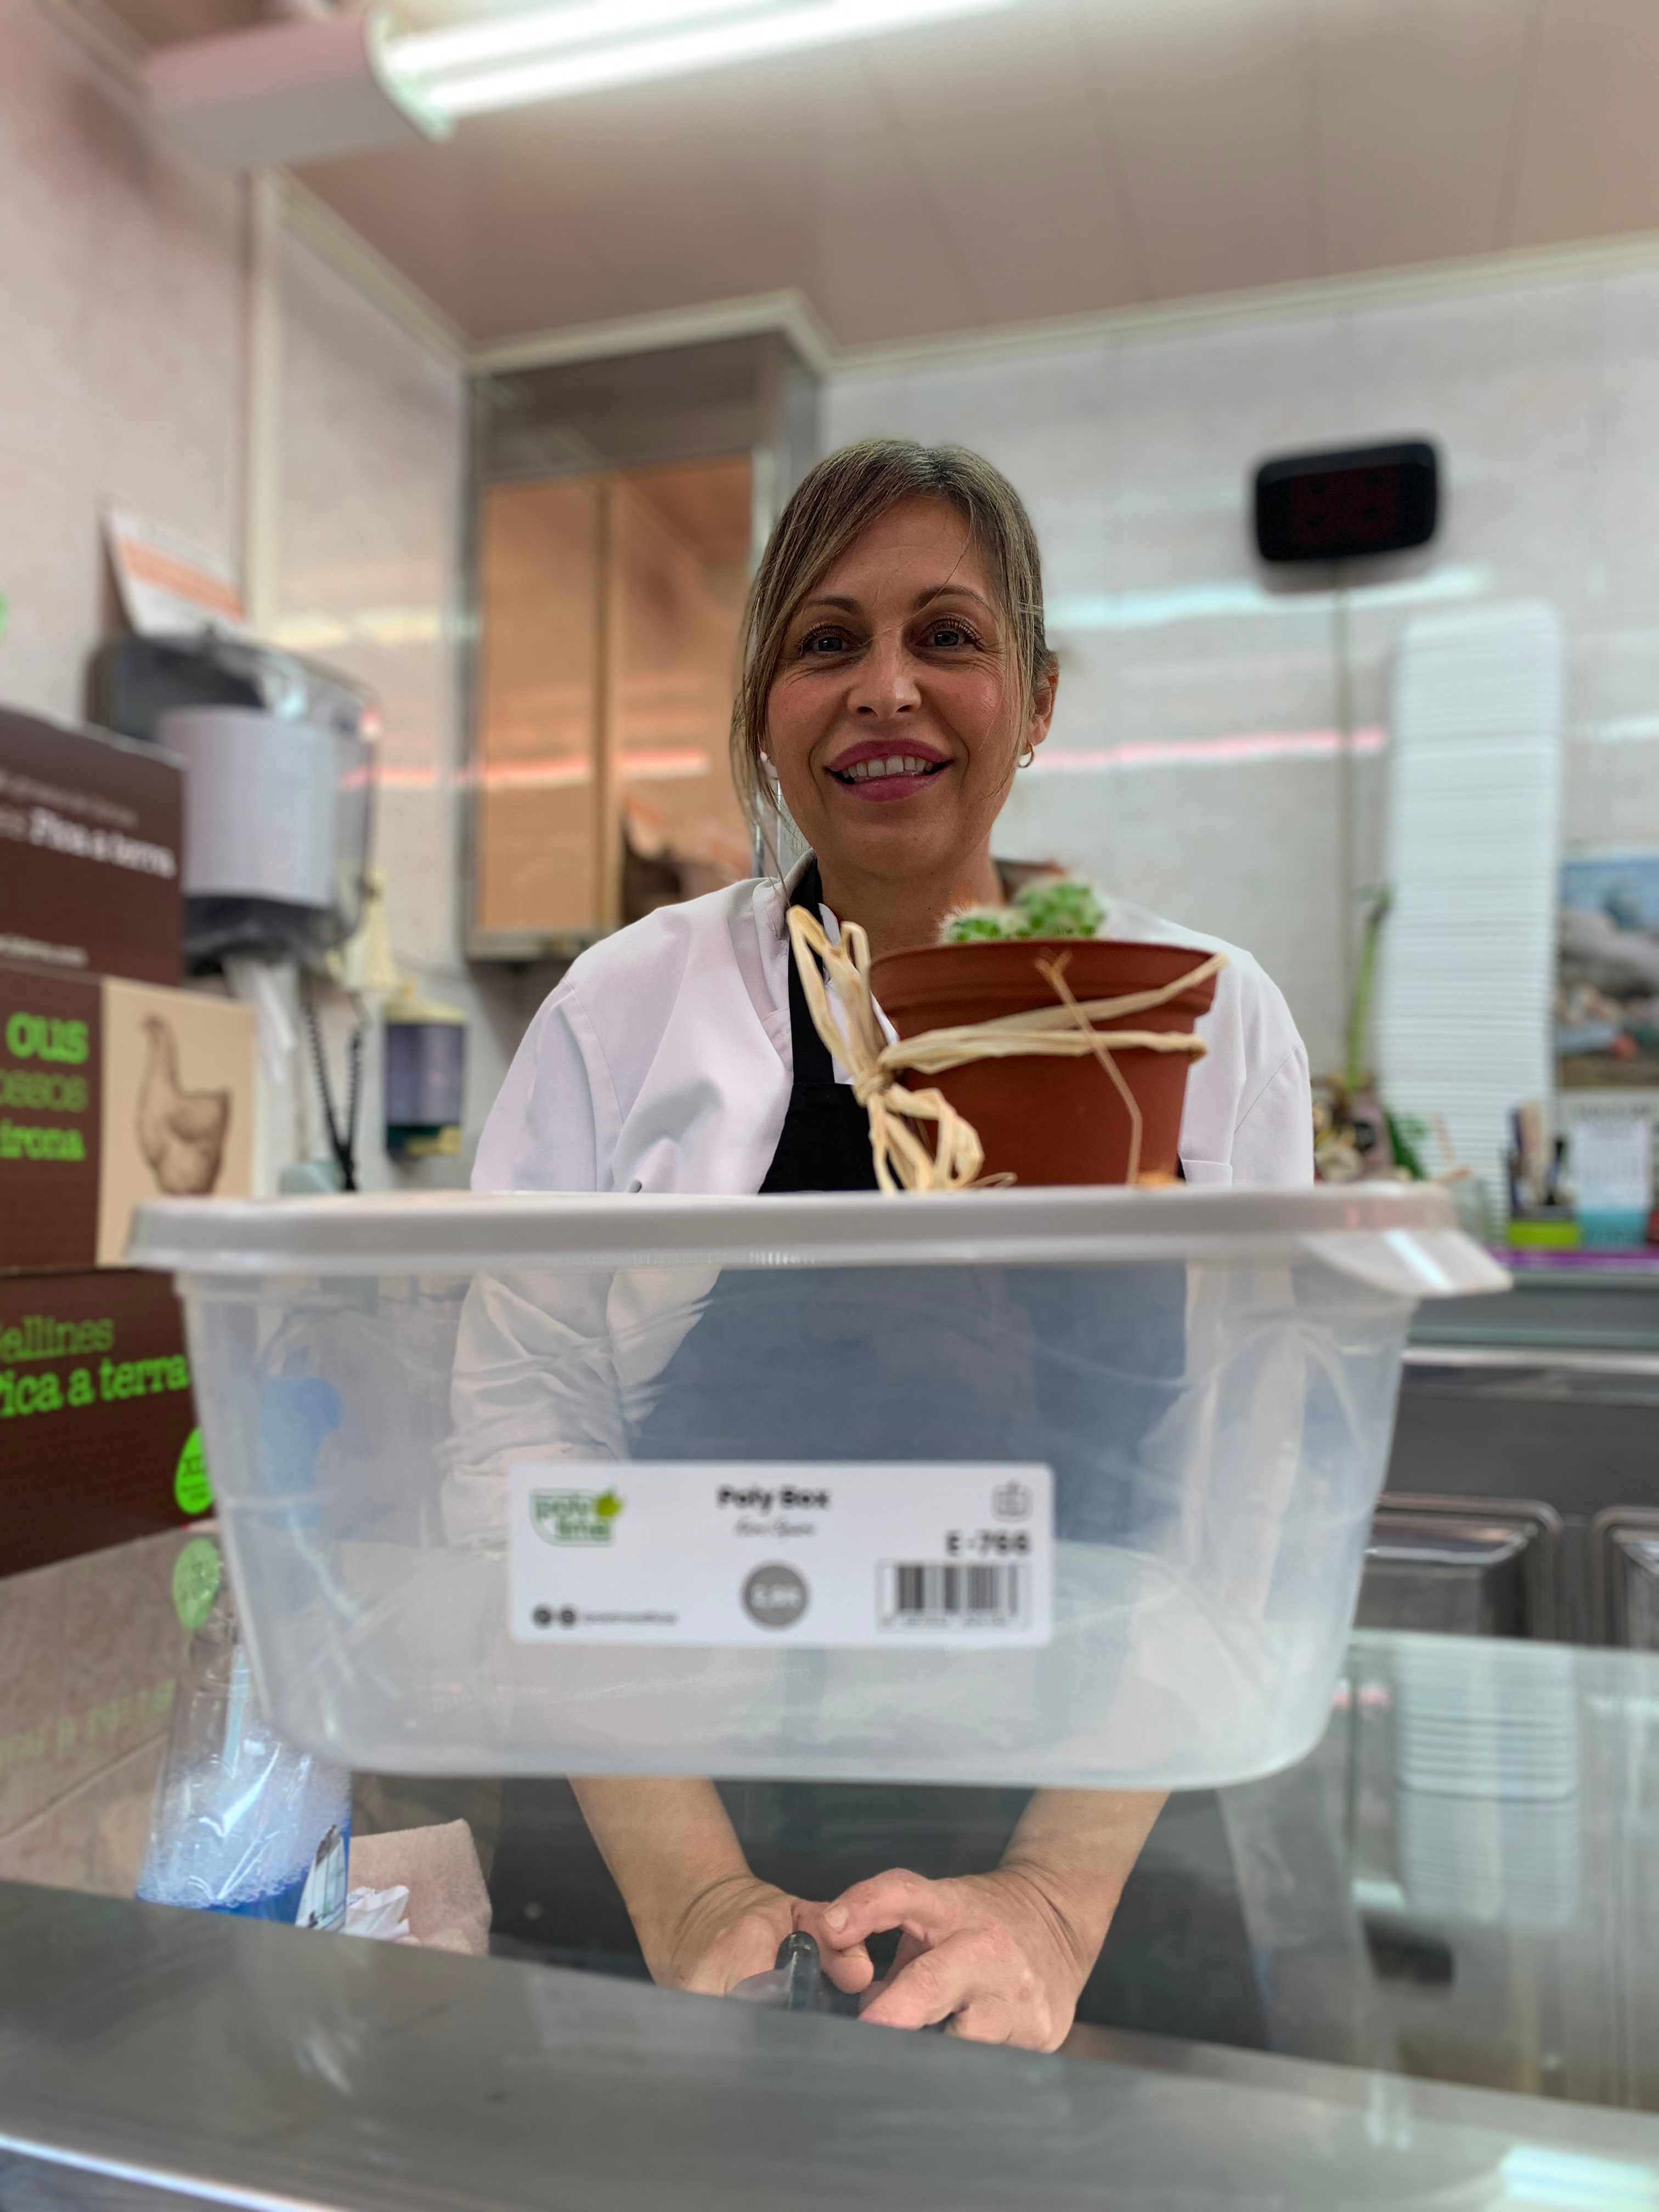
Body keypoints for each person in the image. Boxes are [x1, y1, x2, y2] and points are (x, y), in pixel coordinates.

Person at [473, 437, 1313, 2049]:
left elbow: (1244, 1491)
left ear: (1038, 698)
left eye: (947, 635)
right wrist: (693, 1892)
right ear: (764, 710)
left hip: (1100, 1832)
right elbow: (525, 1443)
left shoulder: (1198, 1018)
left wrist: (1052, 1901)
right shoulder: (627, 1009)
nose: (884, 688)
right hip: (667, 1814)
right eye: (826, 641)